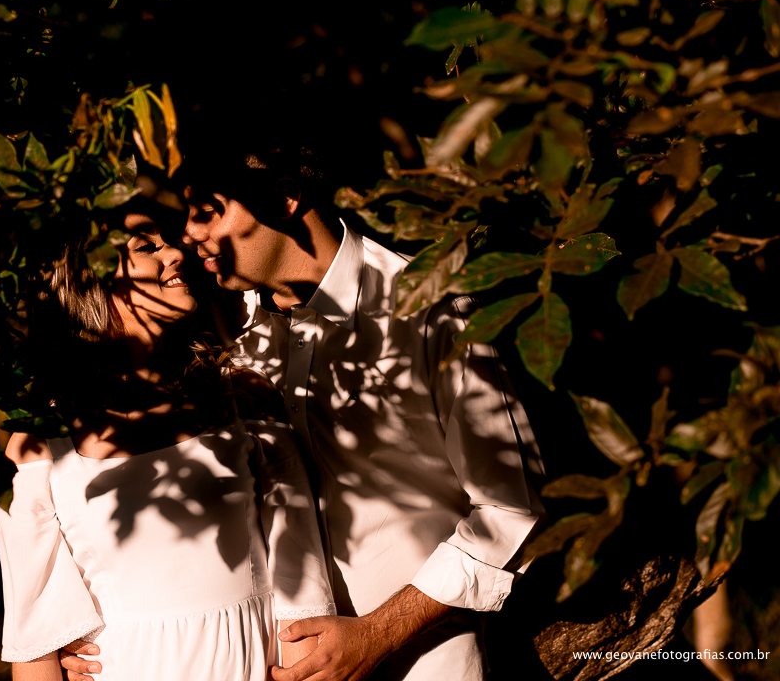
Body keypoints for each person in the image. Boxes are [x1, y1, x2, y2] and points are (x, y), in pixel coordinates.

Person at [60, 149, 545, 681]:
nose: (189, 236)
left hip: (418, 664)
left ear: (284, 199)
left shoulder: (428, 312)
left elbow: (511, 512)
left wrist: (375, 634)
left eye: (208, 214)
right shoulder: (227, 327)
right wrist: (96, 631)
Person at [0, 205, 338, 681]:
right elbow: (35, 645)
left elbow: (303, 599)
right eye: (147, 247)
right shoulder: (38, 447)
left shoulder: (241, 398)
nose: (176, 253)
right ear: (89, 280)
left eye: (167, 241)